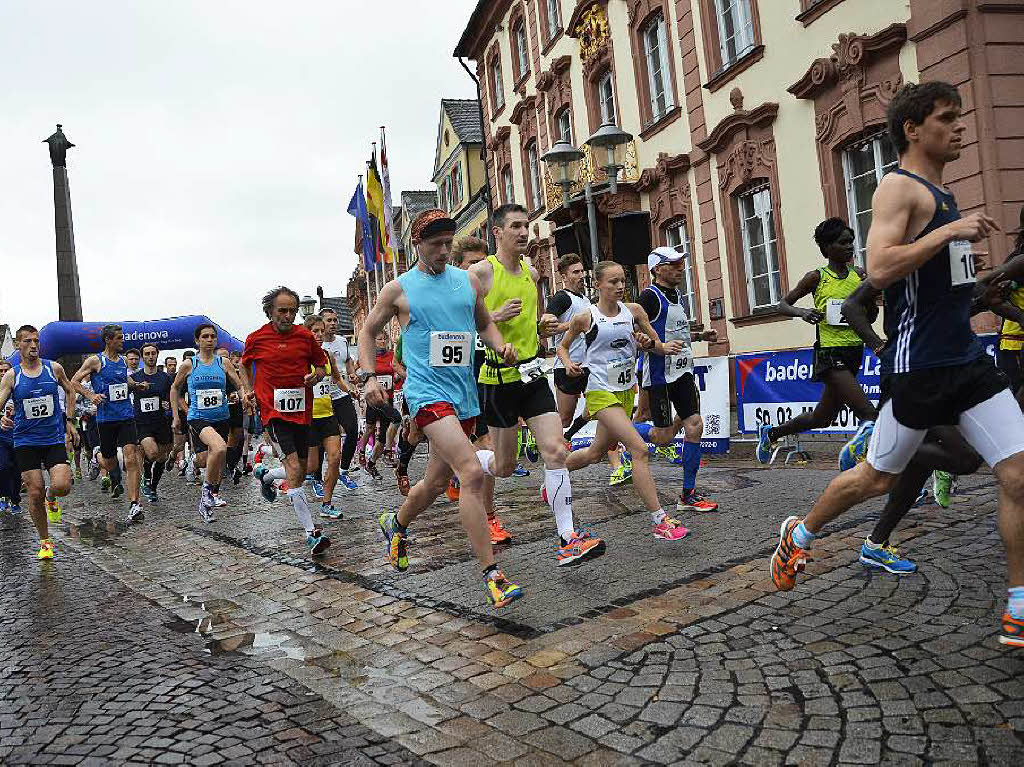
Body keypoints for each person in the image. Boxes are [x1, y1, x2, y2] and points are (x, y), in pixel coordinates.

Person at [768, 81, 1024, 650]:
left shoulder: (941, 191)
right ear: (913, 129)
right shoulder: (897, 188)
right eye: (946, 118)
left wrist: (973, 273)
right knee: (875, 477)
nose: (959, 126)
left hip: (965, 358)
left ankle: (1019, 604)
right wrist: (949, 233)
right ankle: (800, 534)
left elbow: (939, 279)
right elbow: (879, 268)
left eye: (960, 116)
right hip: (919, 366)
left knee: (1018, 474)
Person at [360, 208, 523, 607]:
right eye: (435, 245)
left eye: (448, 244)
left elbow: (483, 322)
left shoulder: (466, 281)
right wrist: (368, 376)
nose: (444, 251)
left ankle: (395, 524)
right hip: (426, 394)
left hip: (464, 396)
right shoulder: (399, 290)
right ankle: (492, 575)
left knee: (434, 483)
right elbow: (367, 331)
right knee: (470, 472)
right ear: (417, 244)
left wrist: (499, 344)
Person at [470, 204, 605, 566]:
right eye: (515, 226)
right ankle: (466, 460)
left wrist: (541, 330)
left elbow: (531, 323)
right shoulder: (481, 273)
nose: (523, 232)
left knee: (556, 450)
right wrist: (495, 324)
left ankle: (567, 538)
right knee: (504, 467)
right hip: (498, 379)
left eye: (526, 226)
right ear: (496, 233)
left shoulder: (531, 272)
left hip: (531, 374)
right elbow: (465, 323)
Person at [559, 261, 691, 540]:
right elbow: (562, 346)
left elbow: (656, 344)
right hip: (599, 392)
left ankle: (555, 471)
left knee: (595, 453)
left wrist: (650, 344)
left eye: (623, 280)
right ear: (598, 285)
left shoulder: (634, 312)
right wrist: (569, 363)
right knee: (639, 449)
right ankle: (660, 520)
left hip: (623, 391)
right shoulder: (586, 317)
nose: (620, 286)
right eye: (613, 282)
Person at [755, 219, 878, 468]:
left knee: (823, 418)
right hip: (830, 355)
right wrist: (803, 313)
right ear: (826, 248)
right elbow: (782, 304)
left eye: (851, 242)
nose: (849, 247)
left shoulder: (859, 275)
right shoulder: (816, 277)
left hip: (854, 351)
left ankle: (771, 433)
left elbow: (871, 317)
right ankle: (871, 464)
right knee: (868, 414)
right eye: (842, 243)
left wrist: (869, 303)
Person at [239, 286, 331, 556]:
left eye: (292, 310)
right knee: (293, 465)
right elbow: (244, 364)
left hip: (302, 410)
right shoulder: (256, 339)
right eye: (282, 310)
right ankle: (311, 533)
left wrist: (316, 376)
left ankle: (266, 476)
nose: (288, 315)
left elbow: (321, 366)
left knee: (302, 470)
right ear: (270, 311)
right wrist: (248, 390)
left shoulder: (305, 337)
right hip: (274, 411)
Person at [634, 247, 720, 511]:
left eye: (681, 263)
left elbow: (676, 334)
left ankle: (688, 494)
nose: (681, 268)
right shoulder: (649, 297)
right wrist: (654, 346)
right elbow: (633, 338)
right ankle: (621, 431)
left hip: (682, 371)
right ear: (658, 269)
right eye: (674, 264)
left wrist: (700, 337)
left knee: (694, 425)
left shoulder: (677, 295)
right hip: (659, 375)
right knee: (663, 439)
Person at [0, 325, 76, 559]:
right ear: (18, 345)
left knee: (62, 485)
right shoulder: (12, 375)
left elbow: (70, 391)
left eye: (36, 341)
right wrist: (2, 417)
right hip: (25, 441)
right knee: (34, 493)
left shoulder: (54, 368)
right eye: (27, 342)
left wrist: (70, 421)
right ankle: (45, 542)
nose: (33, 346)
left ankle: (51, 497)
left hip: (52, 437)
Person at [72, 324, 149, 522]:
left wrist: (136, 385)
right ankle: (97, 456)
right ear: (108, 340)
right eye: (119, 338)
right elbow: (74, 381)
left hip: (126, 416)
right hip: (106, 419)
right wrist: (91, 395)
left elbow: (124, 382)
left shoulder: (123, 361)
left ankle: (134, 504)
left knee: (131, 458)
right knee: (110, 461)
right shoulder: (96, 361)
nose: (123, 341)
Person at [172, 324, 248, 521]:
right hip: (198, 418)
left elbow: (238, 384)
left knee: (214, 459)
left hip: (221, 417)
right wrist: (176, 414)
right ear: (197, 341)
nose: (209, 339)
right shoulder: (190, 365)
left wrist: (244, 396)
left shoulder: (223, 363)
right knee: (220, 448)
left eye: (212, 336)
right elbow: (175, 389)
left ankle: (212, 492)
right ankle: (206, 496)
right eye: (205, 336)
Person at [306, 315, 345, 519]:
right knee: (310, 467)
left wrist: (351, 390)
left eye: (322, 331)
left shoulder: (328, 356)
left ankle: (326, 504)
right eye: (315, 331)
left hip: (328, 415)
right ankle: (268, 475)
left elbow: (337, 379)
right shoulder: (301, 357)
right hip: (309, 418)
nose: (320, 335)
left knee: (335, 458)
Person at [355, 332, 403, 484]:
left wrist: (396, 378)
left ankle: (371, 463)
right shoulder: (369, 358)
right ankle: (373, 452)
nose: (382, 341)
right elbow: (356, 374)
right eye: (379, 339)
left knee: (381, 436)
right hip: (374, 400)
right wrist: (362, 381)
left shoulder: (391, 356)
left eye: (384, 339)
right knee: (383, 423)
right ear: (374, 341)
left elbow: (395, 374)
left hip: (387, 398)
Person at [320, 307, 360, 491]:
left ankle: (343, 470)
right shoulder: (317, 345)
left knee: (352, 430)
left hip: (341, 393)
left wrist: (351, 375)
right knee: (323, 437)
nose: (333, 324)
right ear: (321, 324)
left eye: (335, 320)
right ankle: (317, 477)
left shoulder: (342, 341)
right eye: (329, 320)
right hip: (322, 398)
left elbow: (349, 362)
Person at [131, 342, 174, 502]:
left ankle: (153, 486)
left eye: (153, 353)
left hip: (161, 421)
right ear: (143, 357)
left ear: (157, 355)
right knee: (152, 452)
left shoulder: (165, 378)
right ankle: (146, 477)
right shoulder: (135, 378)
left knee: (162, 457)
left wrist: (168, 404)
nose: (150, 356)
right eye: (147, 354)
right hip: (142, 422)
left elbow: (171, 396)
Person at [0, 361, 21, 515]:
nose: (3, 373)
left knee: (16, 470)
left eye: (5, 370)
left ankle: (15, 499)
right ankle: (3, 496)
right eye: (0, 370)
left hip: (18, 436)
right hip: (1, 437)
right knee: (3, 467)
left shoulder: (18, 389)